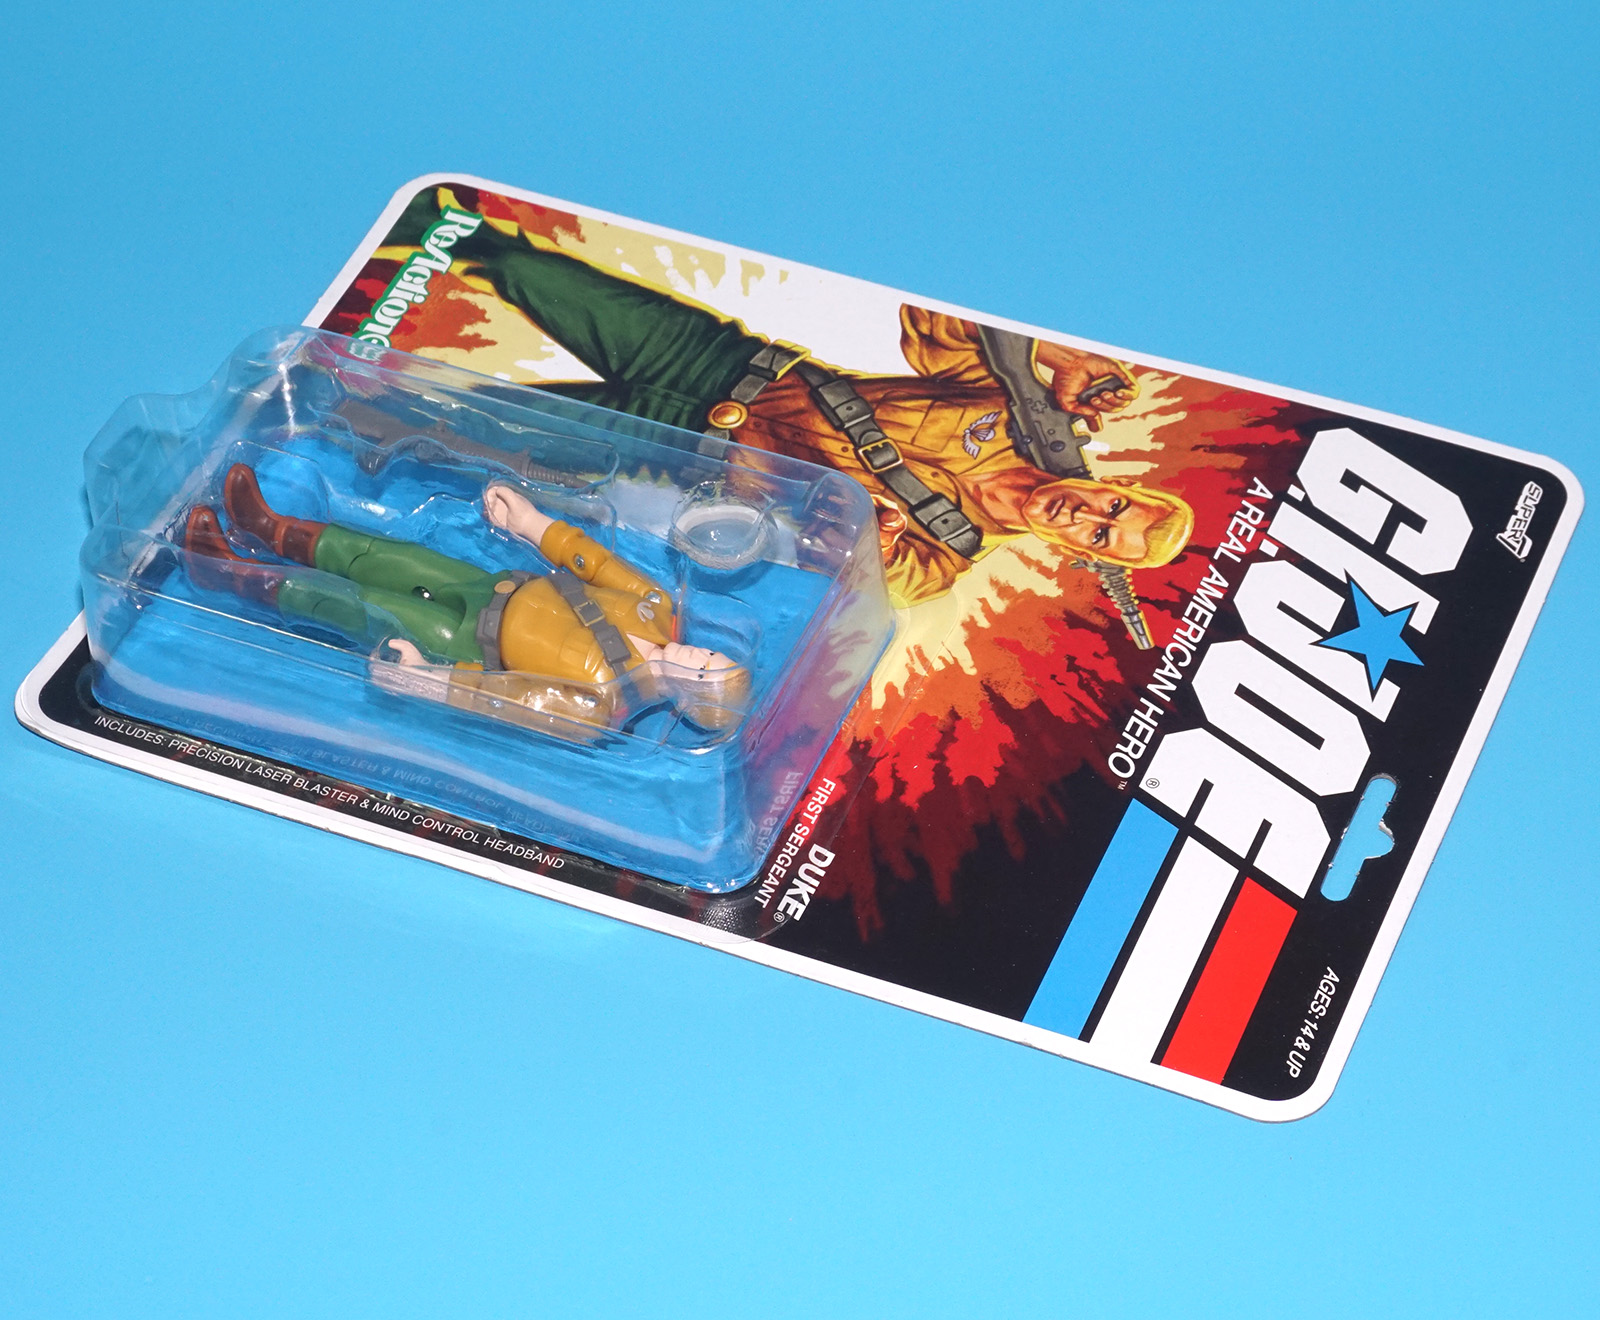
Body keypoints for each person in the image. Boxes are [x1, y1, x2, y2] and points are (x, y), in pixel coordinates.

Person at [365, 187, 1194, 606]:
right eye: (1113, 506)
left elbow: (845, 568)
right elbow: (937, 321)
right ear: (1112, 486)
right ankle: (405, 231)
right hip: (716, 357)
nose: (1088, 516)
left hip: (673, 446)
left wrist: (859, 535)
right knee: (518, 263)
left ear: (1088, 557)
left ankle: (341, 403)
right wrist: (1055, 356)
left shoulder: (943, 557)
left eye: (1102, 537)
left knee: (464, 417)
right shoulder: (1020, 416)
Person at [183, 464, 749, 735]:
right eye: (713, 657)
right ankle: (266, 526)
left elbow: (500, 696)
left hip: (461, 642)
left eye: (705, 675)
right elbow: (592, 561)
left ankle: (228, 574)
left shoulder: (598, 708)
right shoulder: (654, 605)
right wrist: (532, 523)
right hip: (491, 585)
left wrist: (424, 679)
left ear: (687, 704)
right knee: (382, 555)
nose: (700, 658)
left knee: (351, 603)